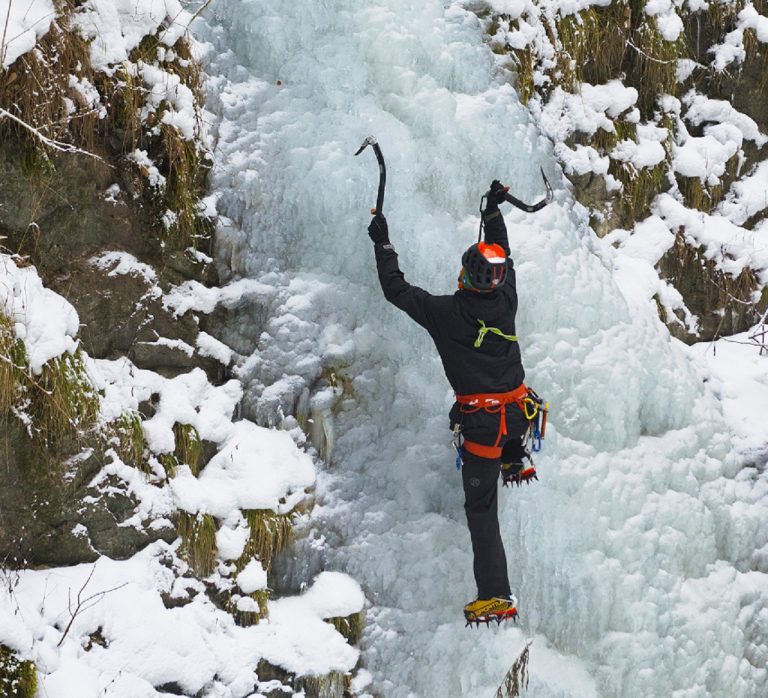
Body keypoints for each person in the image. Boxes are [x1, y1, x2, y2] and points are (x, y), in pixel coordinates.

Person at [368, 180, 538, 626]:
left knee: (481, 510)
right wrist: (493, 212)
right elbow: (502, 249)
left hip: (483, 428)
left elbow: (395, 289)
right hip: (519, 416)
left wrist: (383, 242)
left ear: (463, 275)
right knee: (500, 424)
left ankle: (496, 595)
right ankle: (515, 458)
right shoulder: (507, 299)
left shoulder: (443, 314)